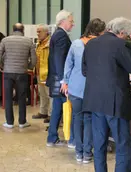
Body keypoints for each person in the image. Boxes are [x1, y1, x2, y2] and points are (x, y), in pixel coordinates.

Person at [82, 17, 131, 172]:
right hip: (116, 104)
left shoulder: (90, 44)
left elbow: (84, 71)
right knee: (122, 145)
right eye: (127, 34)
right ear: (122, 32)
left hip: (95, 102)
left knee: (99, 145)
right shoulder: (120, 44)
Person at [62, 18, 106, 162]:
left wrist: (66, 82)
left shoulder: (76, 44)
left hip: (75, 88)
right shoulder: (101, 46)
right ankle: (87, 153)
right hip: (93, 89)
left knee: (77, 119)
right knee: (89, 120)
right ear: (100, 32)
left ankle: (78, 152)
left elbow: (68, 65)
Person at [0, 23, 36, 128]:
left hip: (8, 72)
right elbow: (34, 60)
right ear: (23, 30)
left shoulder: (5, 40)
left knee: (8, 97)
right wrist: (28, 66)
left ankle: (9, 122)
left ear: (13, 29)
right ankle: (22, 122)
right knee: (21, 97)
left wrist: (3, 65)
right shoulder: (28, 41)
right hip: (22, 73)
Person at [46, 10, 74, 146]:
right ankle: (71, 139)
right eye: (71, 21)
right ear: (63, 21)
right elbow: (59, 59)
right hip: (60, 81)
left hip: (56, 79)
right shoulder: (61, 36)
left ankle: (52, 137)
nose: (73, 24)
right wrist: (64, 80)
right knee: (69, 108)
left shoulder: (57, 34)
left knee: (57, 109)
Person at [32, 24, 52, 123]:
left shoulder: (50, 43)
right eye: (37, 31)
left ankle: (51, 114)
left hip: (47, 72)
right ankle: (43, 111)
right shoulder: (39, 43)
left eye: (39, 31)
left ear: (46, 32)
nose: (37, 33)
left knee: (49, 94)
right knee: (42, 94)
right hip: (39, 72)